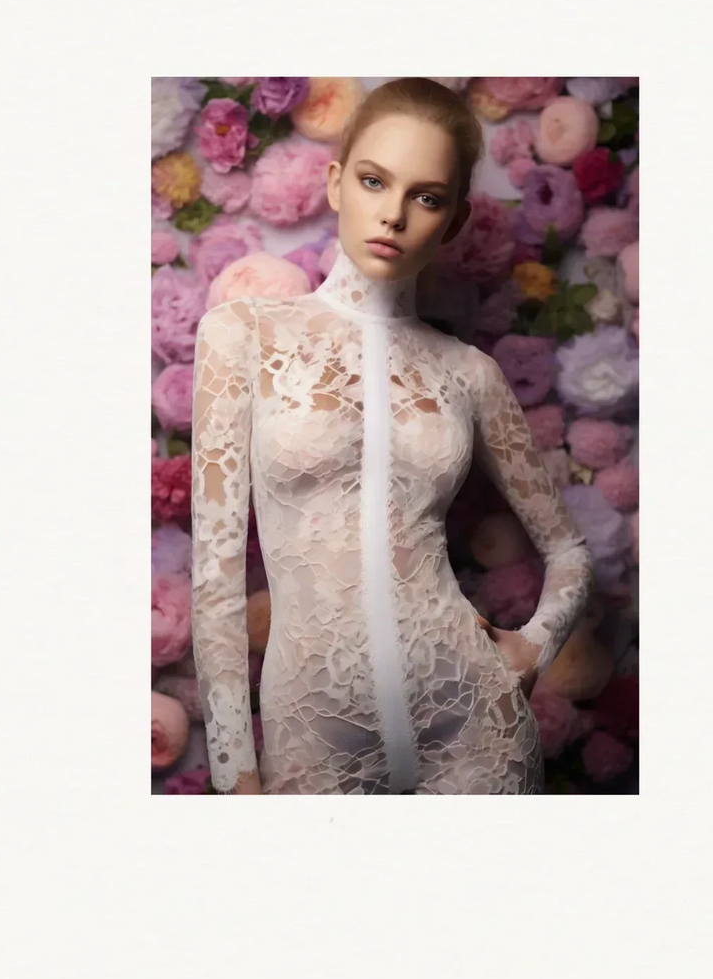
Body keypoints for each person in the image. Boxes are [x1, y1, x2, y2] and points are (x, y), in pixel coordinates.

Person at [189, 78, 595, 794]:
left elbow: (569, 549)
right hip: (314, 731)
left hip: (473, 718)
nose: (395, 214)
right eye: (376, 181)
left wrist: (532, 647)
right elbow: (215, 577)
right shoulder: (244, 336)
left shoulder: (469, 373)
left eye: (427, 196)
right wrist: (232, 771)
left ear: (455, 218)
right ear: (336, 182)